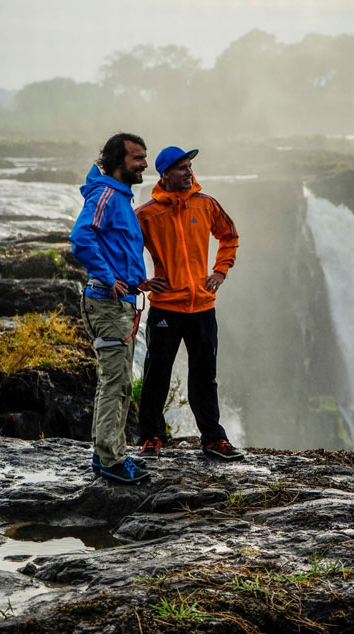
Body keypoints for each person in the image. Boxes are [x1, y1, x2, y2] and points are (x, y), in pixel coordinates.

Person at [135, 145, 243, 461]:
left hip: (202, 308)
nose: (189, 172)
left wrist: (220, 271)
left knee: (205, 376)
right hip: (165, 307)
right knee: (157, 375)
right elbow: (123, 250)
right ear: (165, 174)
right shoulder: (146, 214)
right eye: (182, 167)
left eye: (190, 166)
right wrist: (141, 280)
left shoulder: (206, 205)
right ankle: (151, 438)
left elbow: (229, 236)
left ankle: (213, 439)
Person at [70, 132, 162, 484]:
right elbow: (82, 238)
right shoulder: (107, 193)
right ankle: (111, 460)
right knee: (116, 384)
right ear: (118, 161)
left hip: (119, 303)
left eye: (144, 157)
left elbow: (113, 245)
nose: (144, 164)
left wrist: (136, 281)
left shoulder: (120, 196)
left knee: (118, 383)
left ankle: (104, 454)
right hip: (107, 305)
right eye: (137, 158)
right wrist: (109, 278)